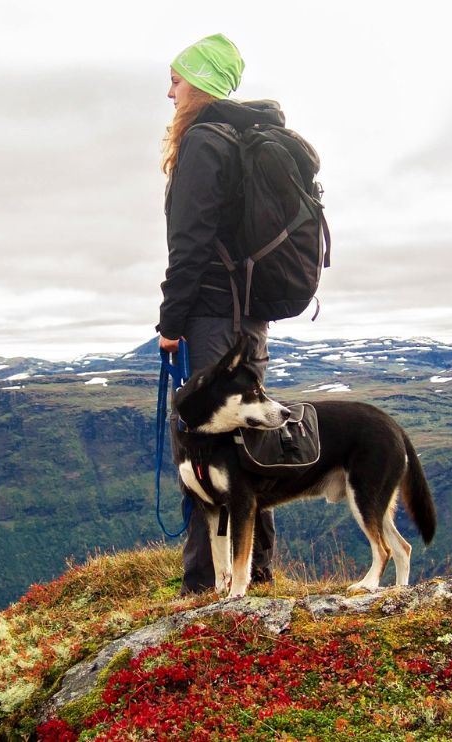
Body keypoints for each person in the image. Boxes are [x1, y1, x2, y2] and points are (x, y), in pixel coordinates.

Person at [157, 33, 281, 594]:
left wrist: (170, 322)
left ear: (201, 83)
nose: (170, 91)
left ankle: (203, 583)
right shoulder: (241, 139)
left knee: (205, 443)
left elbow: (189, 243)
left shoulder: (204, 142)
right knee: (246, 438)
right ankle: (253, 571)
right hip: (248, 317)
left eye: (177, 80)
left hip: (211, 315)